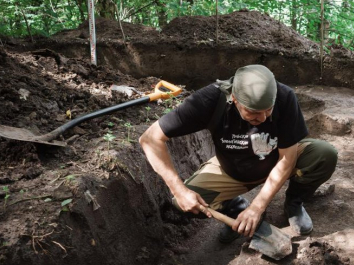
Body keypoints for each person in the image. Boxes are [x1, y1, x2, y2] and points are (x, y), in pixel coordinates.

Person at [139, 64, 338, 242]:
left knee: (324, 154)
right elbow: (150, 138)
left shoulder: (285, 97)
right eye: (252, 112)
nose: (261, 118)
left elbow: (287, 158)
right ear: (234, 99)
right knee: (185, 203)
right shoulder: (209, 100)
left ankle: (294, 202)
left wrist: (258, 207)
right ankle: (234, 207)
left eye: (267, 110)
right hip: (233, 170)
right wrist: (179, 190)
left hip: (276, 159)